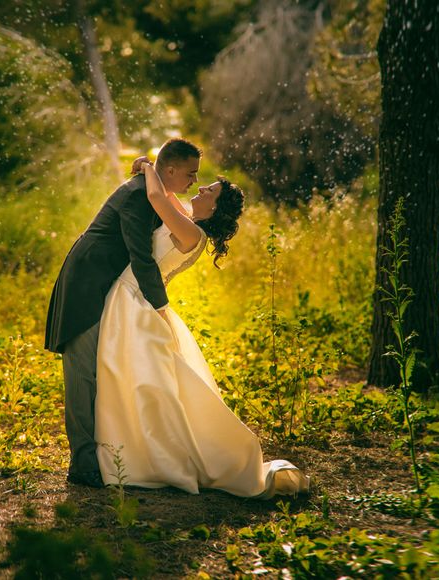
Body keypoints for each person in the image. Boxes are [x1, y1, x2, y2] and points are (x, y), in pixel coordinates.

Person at [94, 159, 310, 498]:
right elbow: (163, 195)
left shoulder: (192, 233)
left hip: (138, 301)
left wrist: (148, 165)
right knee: (133, 379)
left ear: (215, 207)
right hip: (130, 297)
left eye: (210, 190)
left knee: (146, 382)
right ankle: (134, 450)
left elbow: (155, 194)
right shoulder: (186, 219)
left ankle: (156, 458)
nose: (201, 187)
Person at [45, 138, 203, 488]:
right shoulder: (137, 195)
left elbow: (168, 206)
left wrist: (147, 165)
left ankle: (104, 454)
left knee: (104, 373)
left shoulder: (152, 190)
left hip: (108, 289)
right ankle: (83, 464)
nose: (194, 181)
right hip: (88, 284)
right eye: (190, 174)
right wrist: (161, 307)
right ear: (172, 169)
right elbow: (141, 256)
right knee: (83, 376)